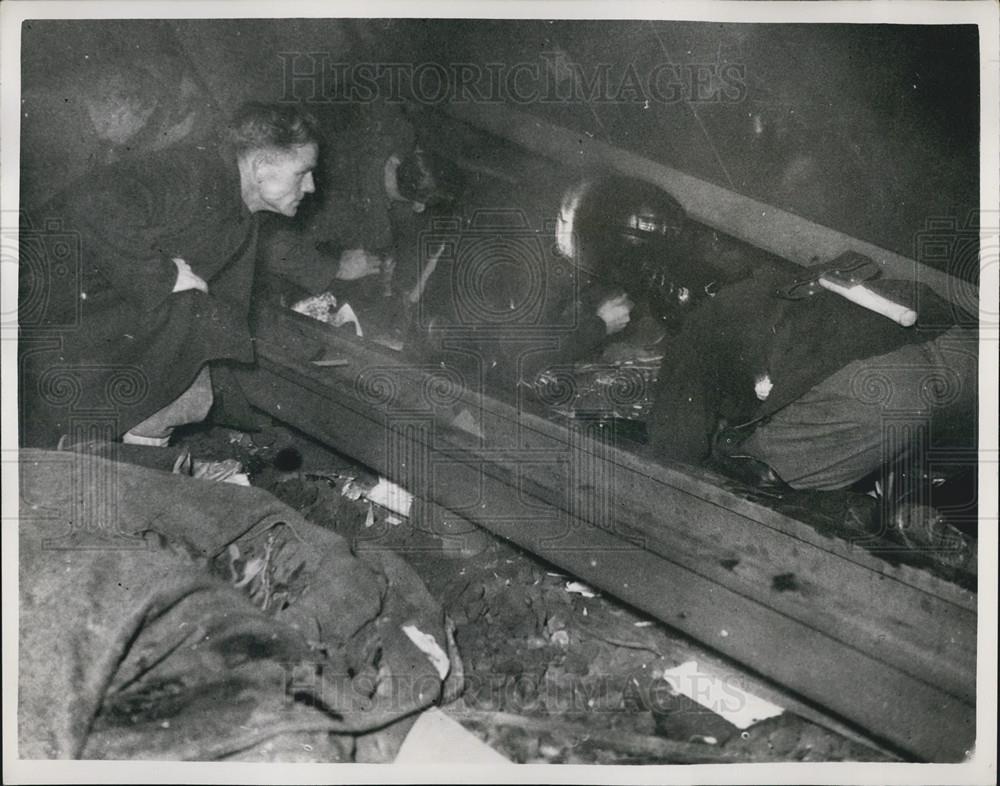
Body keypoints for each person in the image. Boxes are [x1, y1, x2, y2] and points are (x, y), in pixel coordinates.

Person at [20, 102, 321, 448]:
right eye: (303, 172)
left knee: (192, 390)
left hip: (81, 310)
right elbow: (93, 201)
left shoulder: (240, 216)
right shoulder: (194, 171)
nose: (311, 186)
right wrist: (163, 275)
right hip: (39, 298)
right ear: (262, 166)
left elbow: (226, 315)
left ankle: (136, 451)